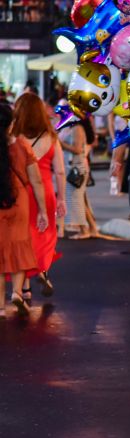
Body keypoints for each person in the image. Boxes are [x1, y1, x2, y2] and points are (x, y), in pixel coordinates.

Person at [12, 93, 66, 300]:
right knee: (45, 234)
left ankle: (23, 287)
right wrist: (61, 198)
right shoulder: (51, 138)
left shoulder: (14, 137)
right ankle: (42, 270)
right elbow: (60, 171)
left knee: (23, 238)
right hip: (44, 191)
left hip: (20, 192)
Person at [0, 103, 48, 317]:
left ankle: (0, 306)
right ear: (11, 125)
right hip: (19, 200)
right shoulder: (22, 146)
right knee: (20, 245)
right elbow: (36, 181)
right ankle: (17, 293)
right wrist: (43, 211)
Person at [59, 114, 93, 239]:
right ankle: (89, 228)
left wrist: (61, 144)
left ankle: (84, 230)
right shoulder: (73, 128)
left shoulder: (77, 128)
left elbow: (78, 149)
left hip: (77, 167)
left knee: (76, 200)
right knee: (78, 199)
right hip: (75, 167)